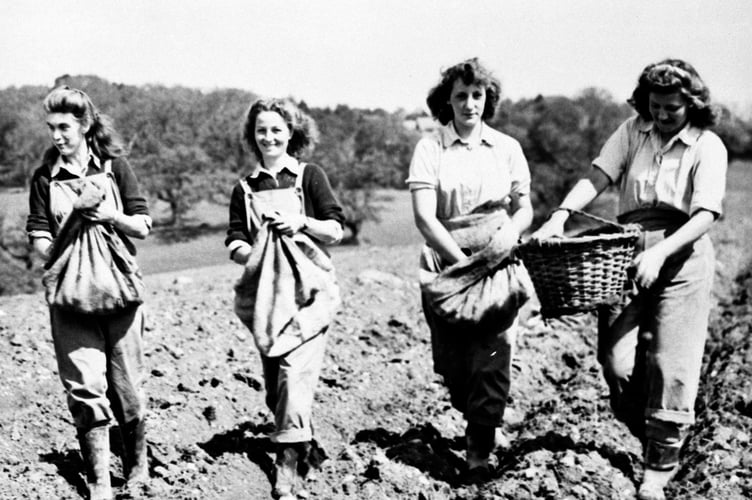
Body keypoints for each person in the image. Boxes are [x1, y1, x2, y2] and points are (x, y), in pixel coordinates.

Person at [531, 59, 727, 500]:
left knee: (669, 361)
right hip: (627, 248)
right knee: (616, 362)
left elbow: (706, 214)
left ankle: (661, 464)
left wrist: (660, 251)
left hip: (683, 253)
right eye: (655, 106)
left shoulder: (707, 145)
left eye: (672, 108)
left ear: (691, 105)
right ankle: (651, 433)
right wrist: (559, 216)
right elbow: (597, 176)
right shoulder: (631, 131)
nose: (661, 115)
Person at [407, 58, 534, 482]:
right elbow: (426, 217)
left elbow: (523, 207)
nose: (469, 103)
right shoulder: (431, 148)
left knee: (494, 354)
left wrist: (508, 236)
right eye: (460, 95)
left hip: (498, 261)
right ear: (447, 101)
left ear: (488, 99)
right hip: (447, 263)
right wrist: (463, 265)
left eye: (477, 95)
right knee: (453, 363)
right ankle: (476, 413)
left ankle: (479, 450)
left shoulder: (506, 148)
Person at [26, 86, 152, 500]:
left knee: (127, 385)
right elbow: (39, 236)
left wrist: (109, 215)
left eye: (64, 127)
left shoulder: (115, 169)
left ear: (84, 125)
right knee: (84, 385)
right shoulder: (45, 178)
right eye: (51, 128)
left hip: (119, 289)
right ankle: (99, 482)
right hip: (70, 295)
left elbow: (143, 226)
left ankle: (137, 471)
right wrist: (60, 246)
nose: (57, 136)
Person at [225, 98, 345, 499]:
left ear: (291, 133)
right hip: (267, 298)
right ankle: (301, 441)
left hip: (310, 293)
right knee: (276, 386)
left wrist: (300, 223)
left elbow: (335, 229)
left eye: (277, 129)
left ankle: (286, 467)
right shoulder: (244, 188)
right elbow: (235, 242)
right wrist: (257, 250)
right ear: (252, 136)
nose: (269, 137)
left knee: (295, 375)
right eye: (261, 130)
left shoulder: (309, 177)